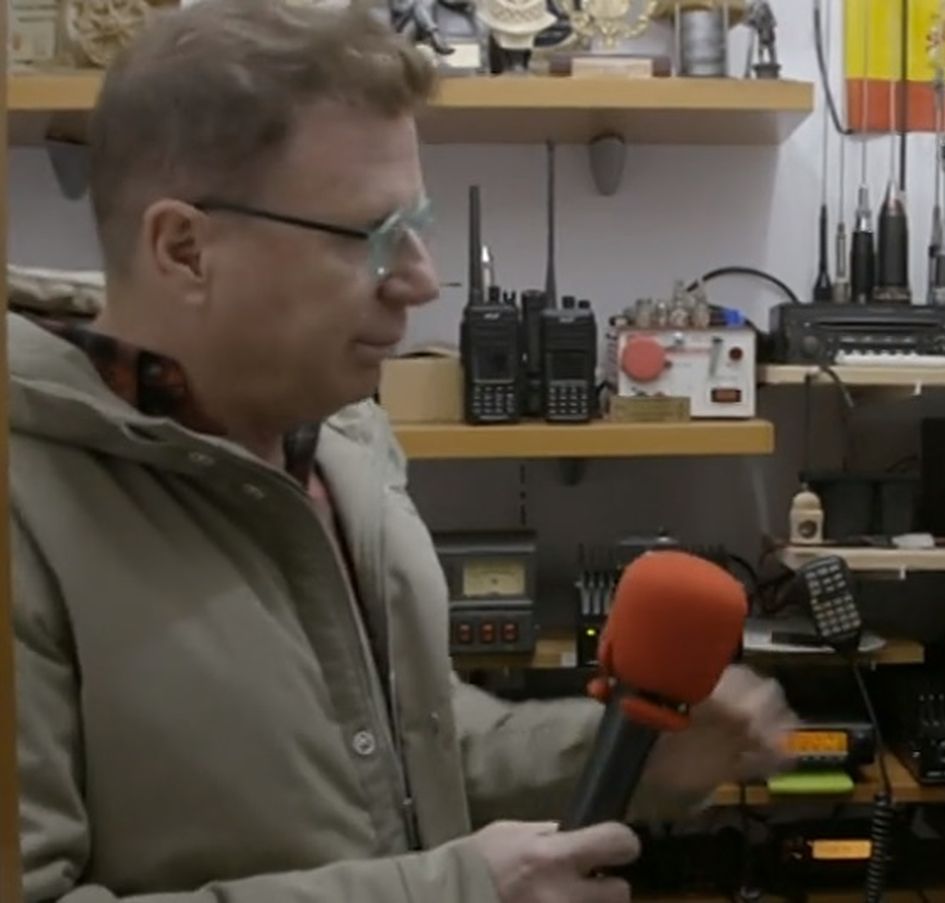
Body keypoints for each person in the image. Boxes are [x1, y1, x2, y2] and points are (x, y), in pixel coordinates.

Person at [9, 2, 794, 902]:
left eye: (416, 229)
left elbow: (407, 742)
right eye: (375, 238)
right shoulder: (26, 502)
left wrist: (630, 746)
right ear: (185, 249)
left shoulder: (341, 444)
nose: (421, 281)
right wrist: (453, 891)